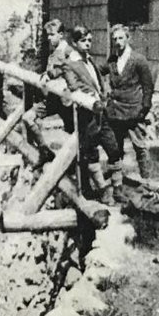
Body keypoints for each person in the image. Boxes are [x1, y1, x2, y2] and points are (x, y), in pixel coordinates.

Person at [58, 27, 115, 199]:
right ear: (74, 43)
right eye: (83, 41)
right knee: (89, 151)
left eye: (89, 40)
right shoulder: (69, 64)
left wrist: (103, 95)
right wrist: (89, 96)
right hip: (86, 112)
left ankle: (113, 188)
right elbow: (73, 86)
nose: (88, 44)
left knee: (113, 147)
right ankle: (99, 190)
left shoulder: (90, 61)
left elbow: (97, 82)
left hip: (101, 109)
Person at [104, 24, 155, 176]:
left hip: (134, 110)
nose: (118, 42)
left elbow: (148, 85)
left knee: (139, 146)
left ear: (128, 39)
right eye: (115, 39)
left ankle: (146, 179)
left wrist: (144, 108)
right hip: (116, 111)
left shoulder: (138, 60)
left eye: (121, 38)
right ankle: (117, 179)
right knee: (115, 146)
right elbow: (98, 70)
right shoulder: (112, 60)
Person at [40, 19, 80, 130]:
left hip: (68, 100)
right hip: (55, 98)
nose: (49, 38)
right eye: (48, 35)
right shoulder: (53, 54)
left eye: (52, 34)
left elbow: (76, 72)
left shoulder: (69, 51)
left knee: (74, 131)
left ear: (61, 35)